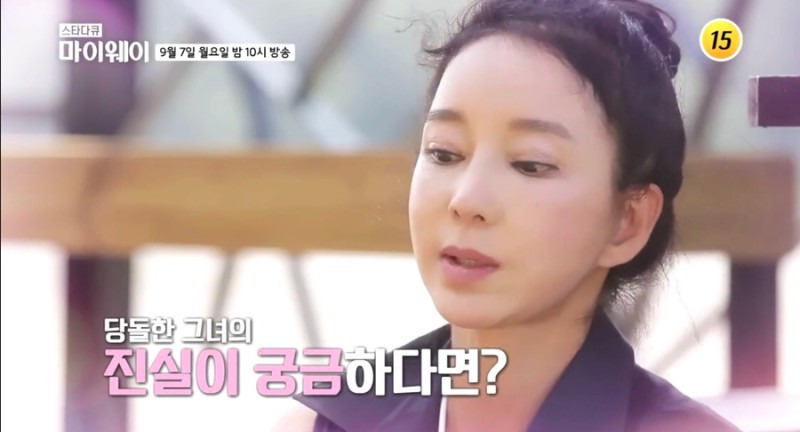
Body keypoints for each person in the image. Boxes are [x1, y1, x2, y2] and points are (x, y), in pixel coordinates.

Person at [275, 0, 742, 430]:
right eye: (443, 153)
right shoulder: (323, 423)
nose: (467, 200)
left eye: (530, 164)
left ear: (628, 221)